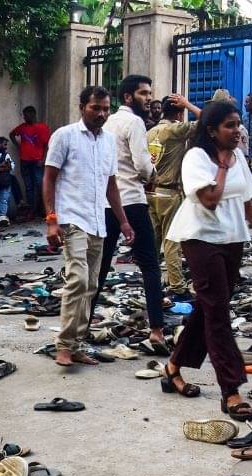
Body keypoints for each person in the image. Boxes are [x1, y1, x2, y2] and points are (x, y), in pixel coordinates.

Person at [163, 100, 252, 422]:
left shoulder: (240, 156)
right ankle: (231, 389)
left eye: (238, 123)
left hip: (232, 239)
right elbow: (211, 200)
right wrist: (224, 164)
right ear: (212, 130)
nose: (237, 130)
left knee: (208, 307)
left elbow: (246, 203)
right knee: (218, 311)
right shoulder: (195, 158)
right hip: (201, 237)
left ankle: (173, 366)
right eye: (229, 125)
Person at [43, 85, 132, 368]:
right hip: (71, 218)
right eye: (96, 108)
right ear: (82, 107)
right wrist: (51, 220)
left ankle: (78, 344)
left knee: (92, 285)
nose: (102, 114)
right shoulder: (65, 136)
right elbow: (49, 178)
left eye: (106, 109)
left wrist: (124, 221)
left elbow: (111, 186)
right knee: (78, 279)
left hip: (98, 221)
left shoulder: (108, 142)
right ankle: (65, 345)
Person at [87, 75, 167, 349]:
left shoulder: (105, 122)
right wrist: (153, 174)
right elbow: (143, 164)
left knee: (99, 266)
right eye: (144, 93)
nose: (149, 98)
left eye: (149, 92)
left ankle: (82, 326)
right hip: (131, 199)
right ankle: (156, 329)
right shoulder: (134, 122)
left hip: (105, 202)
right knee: (150, 266)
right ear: (129, 97)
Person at [148, 93, 203, 301]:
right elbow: (209, 118)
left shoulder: (151, 132)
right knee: (172, 242)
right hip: (170, 192)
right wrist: (188, 104)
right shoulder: (175, 130)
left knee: (153, 243)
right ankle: (177, 286)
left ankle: (150, 281)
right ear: (179, 114)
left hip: (151, 191)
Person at [10, 106, 51, 217]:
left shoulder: (42, 127)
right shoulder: (22, 127)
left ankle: (43, 209)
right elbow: (12, 134)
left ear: (32, 114)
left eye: (26, 115)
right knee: (28, 187)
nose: (24, 117)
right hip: (25, 160)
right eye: (23, 115)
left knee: (40, 185)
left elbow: (47, 145)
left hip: (37, 161)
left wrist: (43, 159)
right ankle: (31, 210)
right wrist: (19, 147)